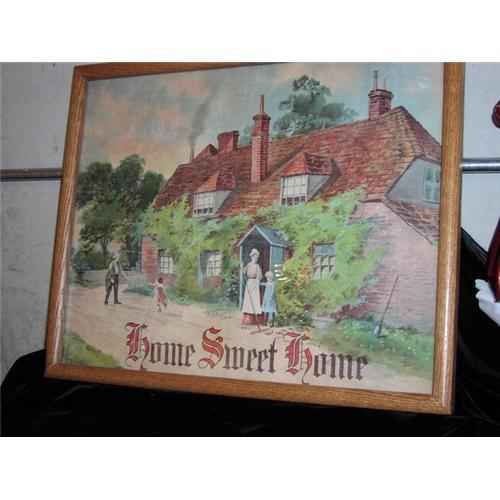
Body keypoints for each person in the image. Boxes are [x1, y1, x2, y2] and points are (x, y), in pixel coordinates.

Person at [241, 248, 263, 322]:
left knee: (254, 300)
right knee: (248, 300)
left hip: (255, 283)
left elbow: (259, 277)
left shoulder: (257, 266)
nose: (255, 259)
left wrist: (255, 284)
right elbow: (244, 272)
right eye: (254, 257)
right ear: (251, 257)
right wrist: (242, 267)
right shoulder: (248, 265)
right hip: (249, 282)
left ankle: (254, 318)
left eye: (256, 258)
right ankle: (247, 318)